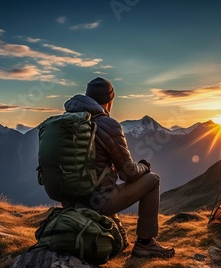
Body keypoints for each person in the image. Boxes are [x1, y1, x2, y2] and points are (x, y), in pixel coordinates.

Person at [62, 77, 175, 258]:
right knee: (153, 180)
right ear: (109, 101)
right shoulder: (107, 124)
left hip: (70, 200)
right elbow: (128, 173)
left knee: (120, 240)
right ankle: (145, 243)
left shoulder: (67, 122)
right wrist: (144, 167)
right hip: (99, 202)